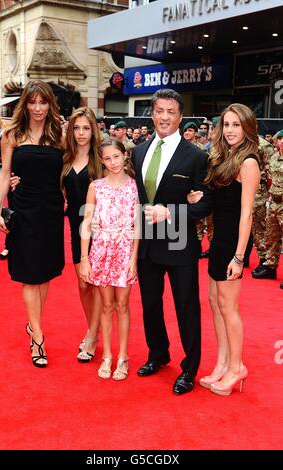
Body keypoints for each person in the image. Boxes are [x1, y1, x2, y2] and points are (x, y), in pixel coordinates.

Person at [132, 89, 213, 395]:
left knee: (186, 307)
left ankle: (190, 367)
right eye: (159, 110)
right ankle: (158, 353)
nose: (164, 116)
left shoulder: (196, 157)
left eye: (171, 111)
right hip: (148, 244)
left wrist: (170, 212)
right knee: (150, 304)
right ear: (151, 114)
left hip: (180, 243)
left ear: (180, 117)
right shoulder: (138, 151)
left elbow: (205, 204)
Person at [188, 103, 260, 396]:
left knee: (229, 307)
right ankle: (221, 363)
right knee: (215, 303)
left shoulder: (248, 162)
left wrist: (240, 256)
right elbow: (217, 201)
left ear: (247, 128)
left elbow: (247, 214)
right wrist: (197, 199)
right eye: (226, 125)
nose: (230, 130)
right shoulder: (225, 157)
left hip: (234, 242)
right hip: (220, 238)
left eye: (236, 125)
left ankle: (237, 367)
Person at [0, 80, 65, 368]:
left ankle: (33, 323)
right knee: (29, 274)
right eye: (33, 102)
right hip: (23, 209)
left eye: (43, 102)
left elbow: (69, 168)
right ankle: (37, 335)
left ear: (50, 104)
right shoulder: (12, 134)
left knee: (45, 273)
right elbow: (4, 173)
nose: (38, 108)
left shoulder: (59, 135)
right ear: (25, 103)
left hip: (50, 211)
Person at [80, 139, 139, 381]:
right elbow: (86, 223)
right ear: (101, 161)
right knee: (105, 306)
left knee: (123, 305)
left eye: (116, 156)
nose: (113, 162)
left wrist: (133, 259)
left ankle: (123, 356)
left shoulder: (136, 186)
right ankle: (107, 356)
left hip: (125, 249)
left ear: (125, 156)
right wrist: (84, 258)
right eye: (107, 158)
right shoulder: (96, 186)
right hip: (101, 249)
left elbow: (138, 226)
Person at [61, 107, 103, 361]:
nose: (81, 133)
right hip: (75, 228)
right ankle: (93, 328)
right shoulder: (65, 159)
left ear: (93, 130)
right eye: (76, 128)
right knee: (82, 283)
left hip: (99, 228)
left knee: (96, 285)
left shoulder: (101, 159)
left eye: (86, 128)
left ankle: (92, 334)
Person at [252, 129, 283, 288]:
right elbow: (270, 178)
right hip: (274, 202)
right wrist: (270, 198)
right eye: (281, 139)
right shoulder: (275, 158)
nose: (282, 142)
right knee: (271, 236)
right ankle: (270, 267)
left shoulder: (266, 149)